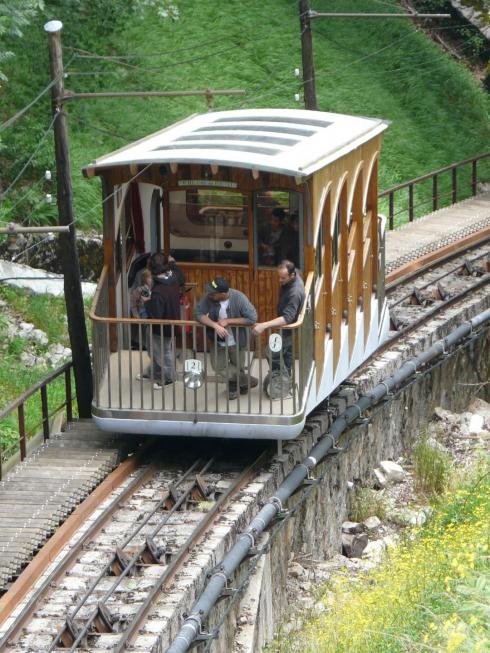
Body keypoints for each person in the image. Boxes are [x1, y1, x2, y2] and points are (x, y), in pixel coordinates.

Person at [195, 277, 258, 400]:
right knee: (218, 366)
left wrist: (228, 321)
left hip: (238, 340)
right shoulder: (209, 298)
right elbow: (198, 314)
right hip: (217, 341)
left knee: (238, 364)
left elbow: (252, 318)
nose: (209, 294)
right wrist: (214, 325)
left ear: (223, 294)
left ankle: (235, 387)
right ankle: (245, 380)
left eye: (213, 292)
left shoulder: (239, 297)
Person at [252, 260, 305, 374]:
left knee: (270, 352)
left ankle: (281, 377)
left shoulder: (295, 293)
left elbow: (287, 318)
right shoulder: (293, 275)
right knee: (287, 353)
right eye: (279, 277)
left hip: (288, 328)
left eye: (283, 278)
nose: (279, 280)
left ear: (292, 275)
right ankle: (287, 377)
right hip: (287, 327)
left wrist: (263, 325)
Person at [137, 253, 182, 389]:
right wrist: (173, 263)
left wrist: (146, 302)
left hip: (161, 326)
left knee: (163, 351)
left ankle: (169, 377)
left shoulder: (158, 291)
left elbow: (156, 314)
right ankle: (154, 372)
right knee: (154, 349)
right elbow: (182, 277)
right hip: (170, 321)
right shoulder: (173, 277)